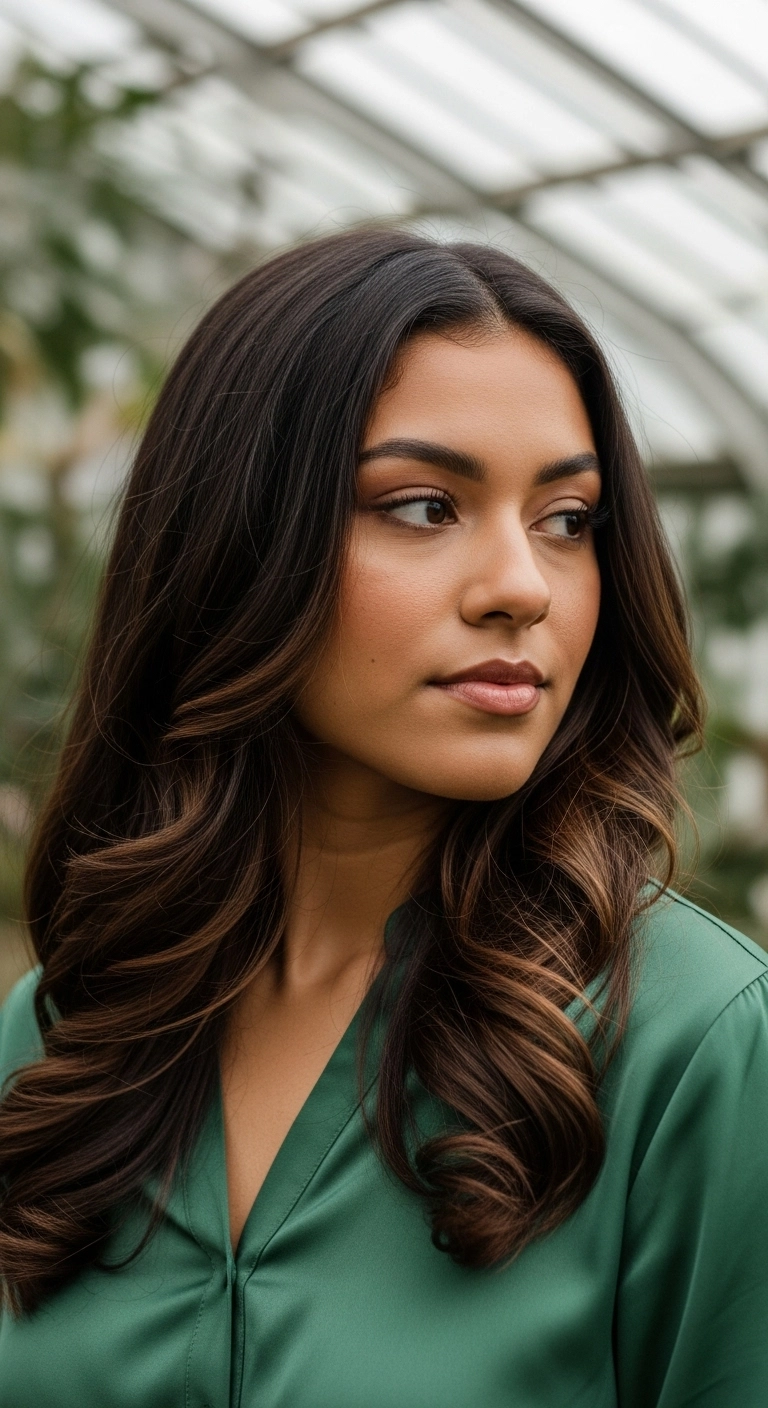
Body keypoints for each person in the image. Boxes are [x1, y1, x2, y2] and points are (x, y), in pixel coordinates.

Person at [0, 229, 766, 1408]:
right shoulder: (69, 1027)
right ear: (236, 540)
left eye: (568, 518)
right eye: (423, 506)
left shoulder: (700, 1047)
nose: (522, 584)